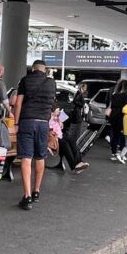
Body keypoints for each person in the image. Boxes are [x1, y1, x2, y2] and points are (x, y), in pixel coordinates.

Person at [12, 59, 56, 210]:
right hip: (43, 123)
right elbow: (52, 105)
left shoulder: (25, 80)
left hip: (27, 122)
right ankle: (36, 191)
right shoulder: (51, 83)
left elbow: (18, 103)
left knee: (26, 157)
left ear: (32, 69)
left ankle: (27, 196)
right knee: (40, 156)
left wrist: (16, 123)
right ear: (45, 70)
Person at [63, 83, 90, 172]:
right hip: (58, 132)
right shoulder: (78, 95)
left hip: (62, 130)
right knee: (69, 142)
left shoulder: (77, 95)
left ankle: (79, 163)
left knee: (70, 141)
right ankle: (77, 164)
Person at [106, 78, 127, 160]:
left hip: (114, 117)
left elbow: (111, 105)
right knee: (123, 136)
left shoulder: (114, 95)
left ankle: (114, 153)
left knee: (115, 135)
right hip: (123, 117)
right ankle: (121, 153)